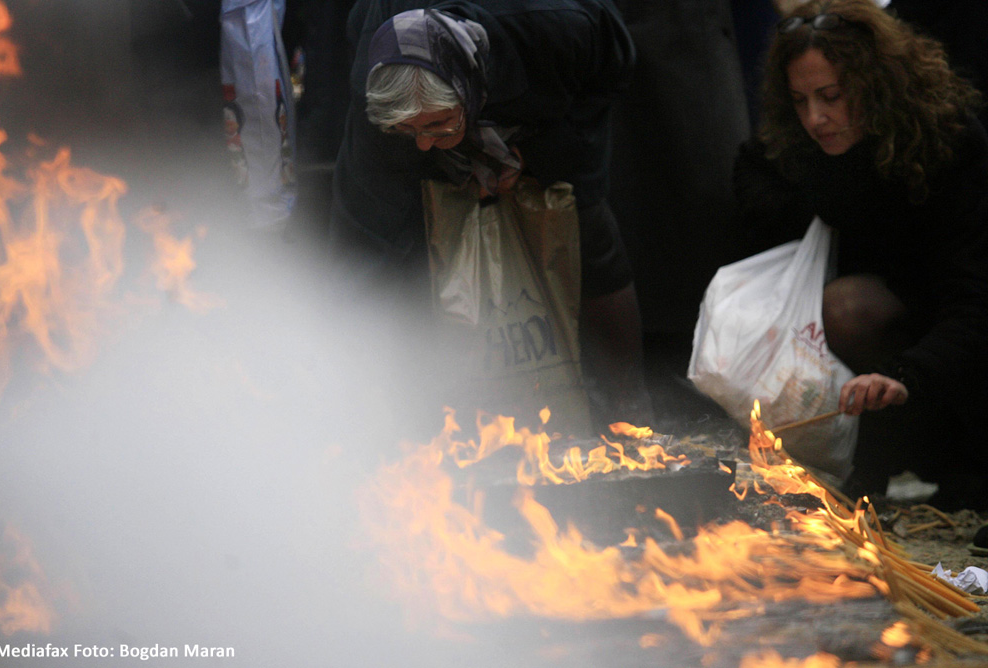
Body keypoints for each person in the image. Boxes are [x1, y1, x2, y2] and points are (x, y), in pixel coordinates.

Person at [327, 0, 653, 434]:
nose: (426, 143)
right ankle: (392, 420)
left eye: (439, 126)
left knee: (585, 229)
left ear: (469, 90)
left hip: (545, 87)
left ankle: (630, 409)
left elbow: (613, 69)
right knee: (375, 253)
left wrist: (543, 152)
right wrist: (450, 156)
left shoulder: (557, 24)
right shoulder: (377, 56)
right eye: (414, 132)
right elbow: (367, 230)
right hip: (425, 92)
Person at [731, 0, 988, 509]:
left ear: (875, 86)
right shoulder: (804, 147)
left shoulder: (949, 144)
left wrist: (907, 375)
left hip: (952, 339)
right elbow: (755, 169)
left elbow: (974, 297)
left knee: (851, 307)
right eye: (801, 101)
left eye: (831, 96)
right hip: (882, 355)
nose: (816, 118)